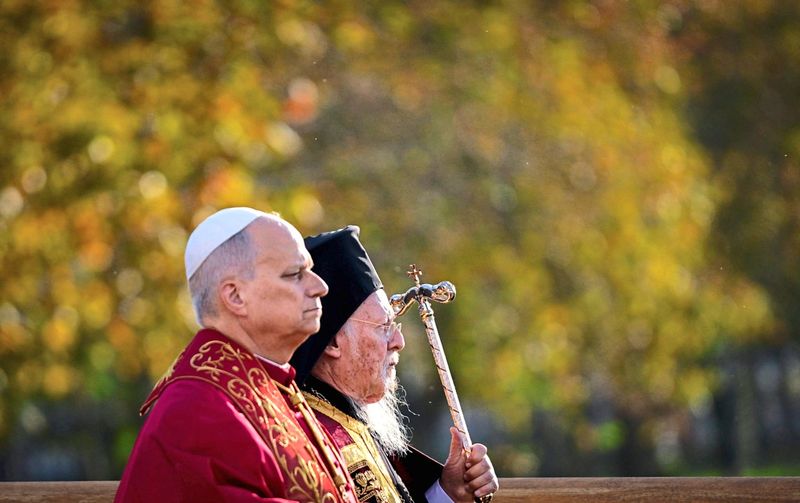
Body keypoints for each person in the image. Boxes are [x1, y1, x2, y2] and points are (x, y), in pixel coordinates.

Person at [115, 208, 359, 503]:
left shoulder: (274, 385)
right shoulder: (196, 410)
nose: (320, 287)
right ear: (235, 297)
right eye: (295, 274)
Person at [290, 226, 498, 503]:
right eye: (383, 326)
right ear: (332, 344)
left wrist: (448, 493)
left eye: (394, 324)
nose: (398, 341)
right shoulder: (317, 436)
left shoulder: (349, 426)